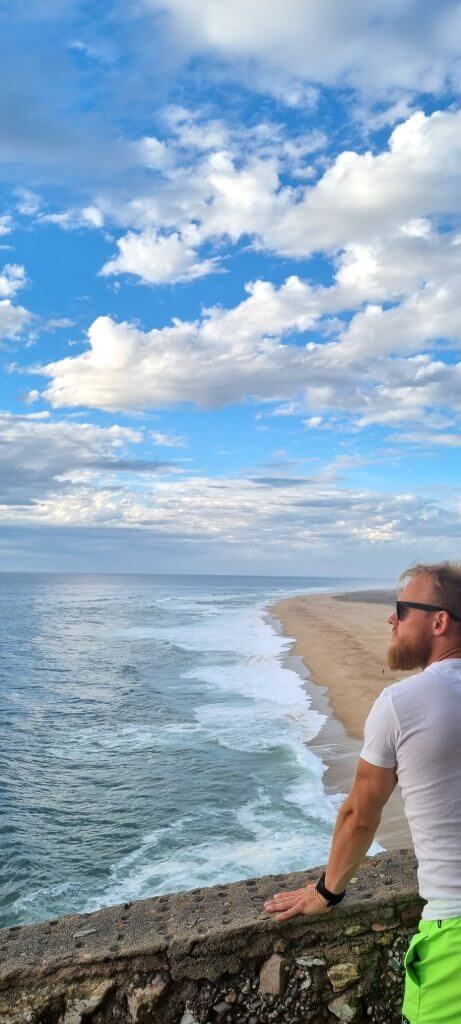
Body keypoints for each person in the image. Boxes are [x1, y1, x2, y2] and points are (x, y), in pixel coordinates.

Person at [264, 561, 461, 1024]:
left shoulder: (402, 704)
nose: (391, 619)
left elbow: (360, 814)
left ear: (439, 621)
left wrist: (326, 893)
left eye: (401, 610)